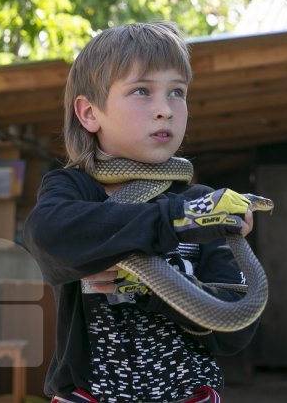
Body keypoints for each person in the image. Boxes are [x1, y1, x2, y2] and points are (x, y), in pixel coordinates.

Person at [23, 22, 260, 402]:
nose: (165, 110)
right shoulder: (75, 190)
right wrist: (178, 219)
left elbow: (237, 324)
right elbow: (47, 236)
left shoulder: (202, 201)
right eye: (141, 91)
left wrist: (152, 287)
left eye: (177, 93)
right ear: (89, 113)